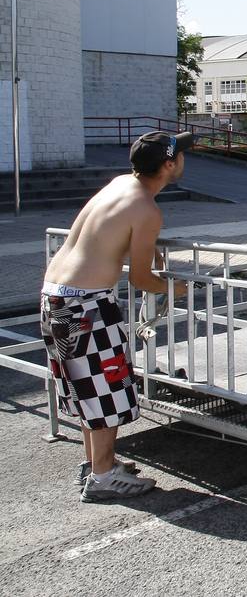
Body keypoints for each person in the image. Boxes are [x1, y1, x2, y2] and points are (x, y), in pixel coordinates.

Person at [40, 130, 193, 502]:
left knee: (84, 387)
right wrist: (175, 289)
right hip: (87, 305)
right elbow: (142, 279)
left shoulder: (121, 184)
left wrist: (149, 248)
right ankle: (104, 477)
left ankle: (95, 463)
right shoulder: (147, 210)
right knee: (105, 389)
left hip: (55, 296)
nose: (186, 160)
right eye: (182, 155)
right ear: (169, 164)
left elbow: (115, 234)